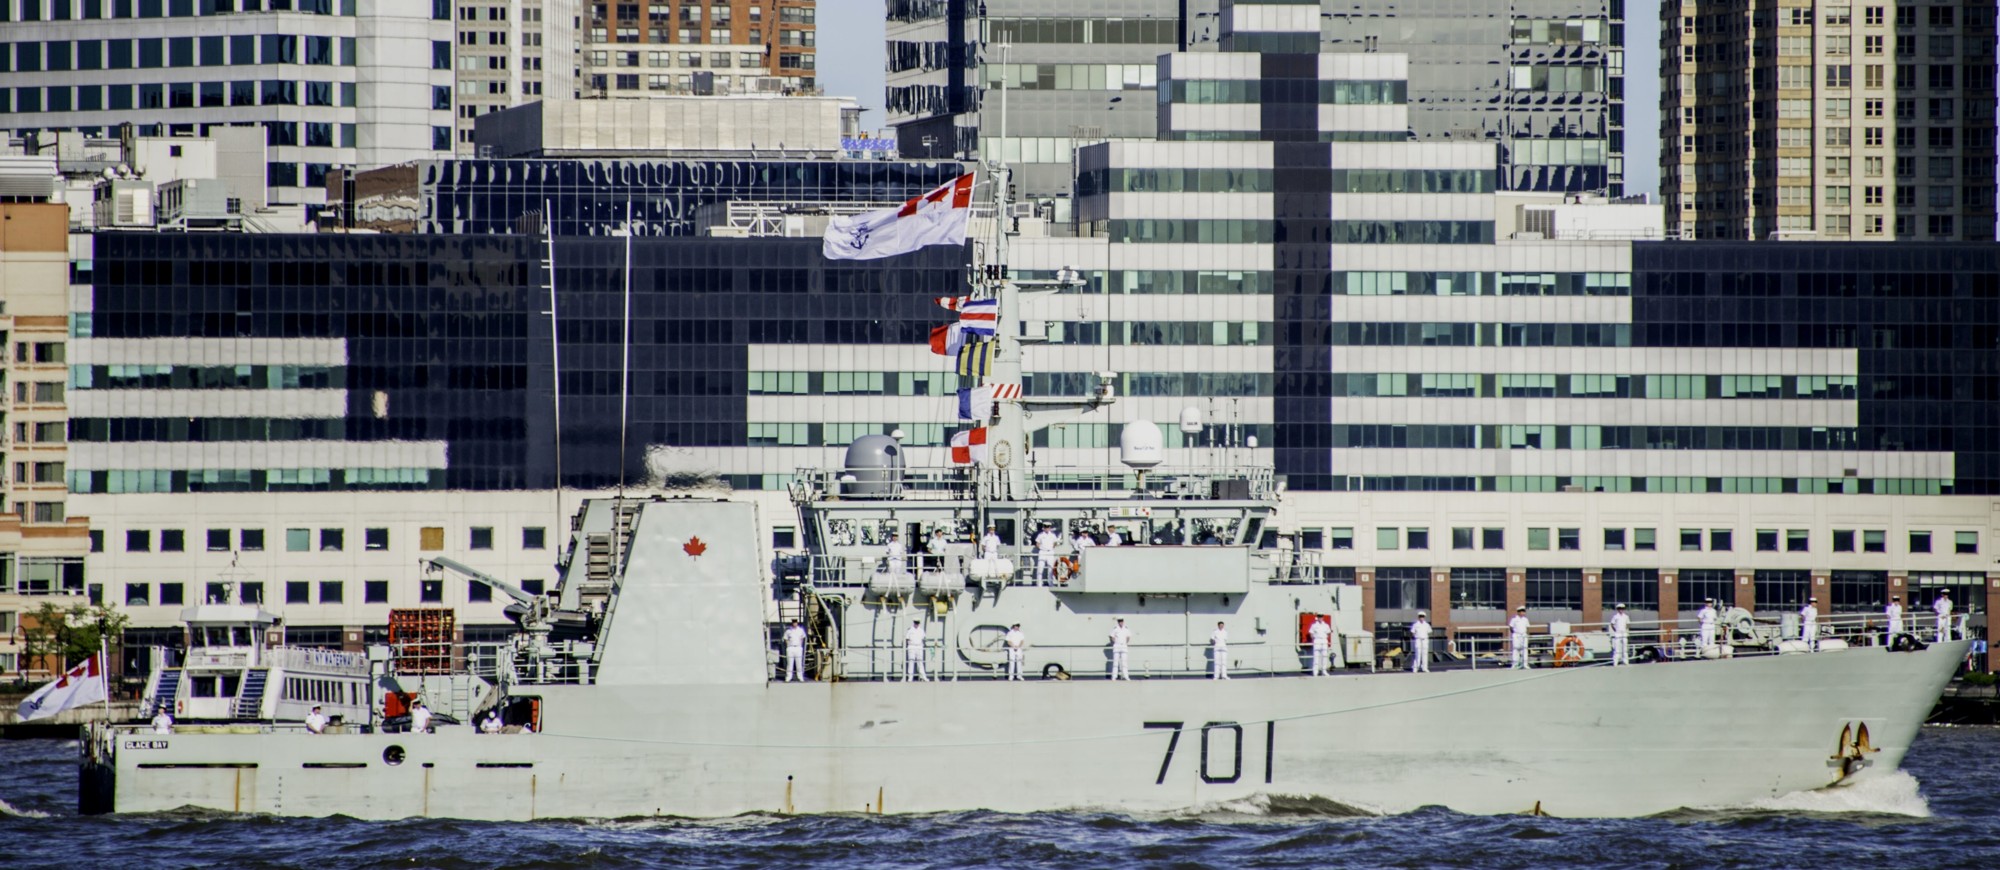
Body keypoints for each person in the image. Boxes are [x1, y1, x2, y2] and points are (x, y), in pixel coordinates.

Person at [782, 618, 809, 682]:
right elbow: (785, 638)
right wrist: (788, 645)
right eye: (793, 622)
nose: (794, 623)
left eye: (795, 622)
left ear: (797, 623)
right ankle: (788, 677)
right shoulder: (788, 631)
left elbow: (803, 638)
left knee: (799, 663)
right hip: (790, 648)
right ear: (792, 623)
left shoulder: (801, 630)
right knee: (790, 663)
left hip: (798, 647)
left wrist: (800, 645)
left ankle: (800, 677)